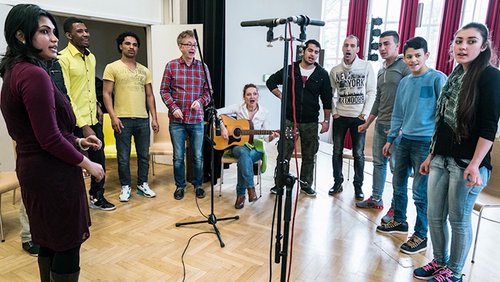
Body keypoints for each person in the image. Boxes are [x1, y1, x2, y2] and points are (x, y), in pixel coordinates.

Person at [0, 4, 105, 281]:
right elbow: (48, 138)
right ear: (22, 36)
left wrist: (79, 141)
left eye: (53, 32)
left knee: (48, 240)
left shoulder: (15, 71)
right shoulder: (33, 74)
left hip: (36, 169)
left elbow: (41, 132)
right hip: (52, 174)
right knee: (67, 243)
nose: (55, 38)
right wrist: (88, 165)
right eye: (45, 32)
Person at [413, 23, 500, 282]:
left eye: (471, 41)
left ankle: (455, 270)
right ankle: (439, 262)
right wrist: (431, 155)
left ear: (483, 46)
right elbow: (442, 123)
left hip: (467, 163)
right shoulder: (454, 76)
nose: (462, 47)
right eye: (458, 41)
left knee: (458, 219)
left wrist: (475, 164)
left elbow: (489, 126)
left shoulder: (490, 76)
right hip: (441, 158)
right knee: (434, 215)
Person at [375, 37, 447, 255]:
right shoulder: (405, 82)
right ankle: (399, 221)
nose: (413, 60)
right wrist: (390, 140)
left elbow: (444, 116)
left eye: (418, 55)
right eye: (409, 56)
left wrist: (435, 149)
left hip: (426, 143)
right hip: (404, 140)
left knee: (420, 192)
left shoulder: (437, 79)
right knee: (397, 184)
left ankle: (421, 234)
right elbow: (398, 113)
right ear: (403, 57)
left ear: (426, 55)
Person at [59, 17, 115, 211]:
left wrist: (98, 106)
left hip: (93, 118)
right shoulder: (62, 59)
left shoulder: (91, 57)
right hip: (73, 122)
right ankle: (72, 202)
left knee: (99, 159)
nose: (85, 34)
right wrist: (83, 125)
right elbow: (66, 95)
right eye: (80, 31)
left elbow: (89, 88)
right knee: (72, 162)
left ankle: (97, 197)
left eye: (86, 31)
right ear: (68, 35)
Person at [356, 31, 411, 223]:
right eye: (379, 45)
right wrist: (367, 123)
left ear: (397, 45)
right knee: (378, 163)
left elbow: (410, 99)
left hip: (398, 128)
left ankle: (396, 208)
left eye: (386, 44)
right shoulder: (381, 69)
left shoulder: (405, 67)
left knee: (397, 169)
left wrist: (402, 127)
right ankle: (376, 198)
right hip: (381, 125)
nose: (382, 48)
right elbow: (378, 100)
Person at [266, 39, 332, 197]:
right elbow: (271, 82)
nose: (312, 54)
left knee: (309, 155)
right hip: (290, 120)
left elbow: (327, 100)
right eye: (310, 51)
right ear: (303, 52)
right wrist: (283, 97)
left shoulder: (322, 74)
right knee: (284, 154)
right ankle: (279, 184)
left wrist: (326, 121)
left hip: (311, 122)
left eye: (316, 52)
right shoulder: (291, 69)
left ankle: (306, 185)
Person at [102, 32, 159, 202]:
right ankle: (125, 186)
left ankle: (143, 184)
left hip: (142, 119)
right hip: (122, 120)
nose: (131, 47)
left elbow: (150, 96)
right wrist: (113, 117)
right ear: (121, 46)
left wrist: (154, 118)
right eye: (127, 44)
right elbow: (106, 93)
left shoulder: (144, 70)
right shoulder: (112, 67)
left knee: (143, 155)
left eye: (134, 44)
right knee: (123, 156)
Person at [160, 30, 211, 200]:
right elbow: (164, 90)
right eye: (188, 44)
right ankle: (180, 186)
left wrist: (201, 101)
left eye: (194, 45)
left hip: (197, 120)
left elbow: (209, 92)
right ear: (180, 46)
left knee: (197, 156)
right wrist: (173, 107)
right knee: (178, 157)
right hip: (177, 121)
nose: (192, 48)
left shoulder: (203, 67)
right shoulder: (171, 66)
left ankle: (198, 185)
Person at [329, 35, 376, 200]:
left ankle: (358, 186)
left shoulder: (366, 66)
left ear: (357, 49)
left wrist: (365, 113)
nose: (348, 48)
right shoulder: (335, 70)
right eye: (346, 45)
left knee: (358, 153)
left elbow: (372, 92)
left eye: (352, 46)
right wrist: (334, 112)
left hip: (359, 117)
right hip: (340, 117)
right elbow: (329, 94)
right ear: (343, 48)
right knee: (336, 151)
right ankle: (337, 182)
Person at [217, 84, 279, 209]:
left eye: (254, 94)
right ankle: (250, 188)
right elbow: (216, 112)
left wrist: (272, 136)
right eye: (249, 94)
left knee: (243, 158)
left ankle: (241, 195)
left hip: (255, 148)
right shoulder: (238, 108)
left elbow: (266, 138)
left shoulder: (264, 112)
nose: (252, 96)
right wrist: (223, 127)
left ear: (258, 96)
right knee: (243, 152)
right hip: (237, 146)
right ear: (244, 97)